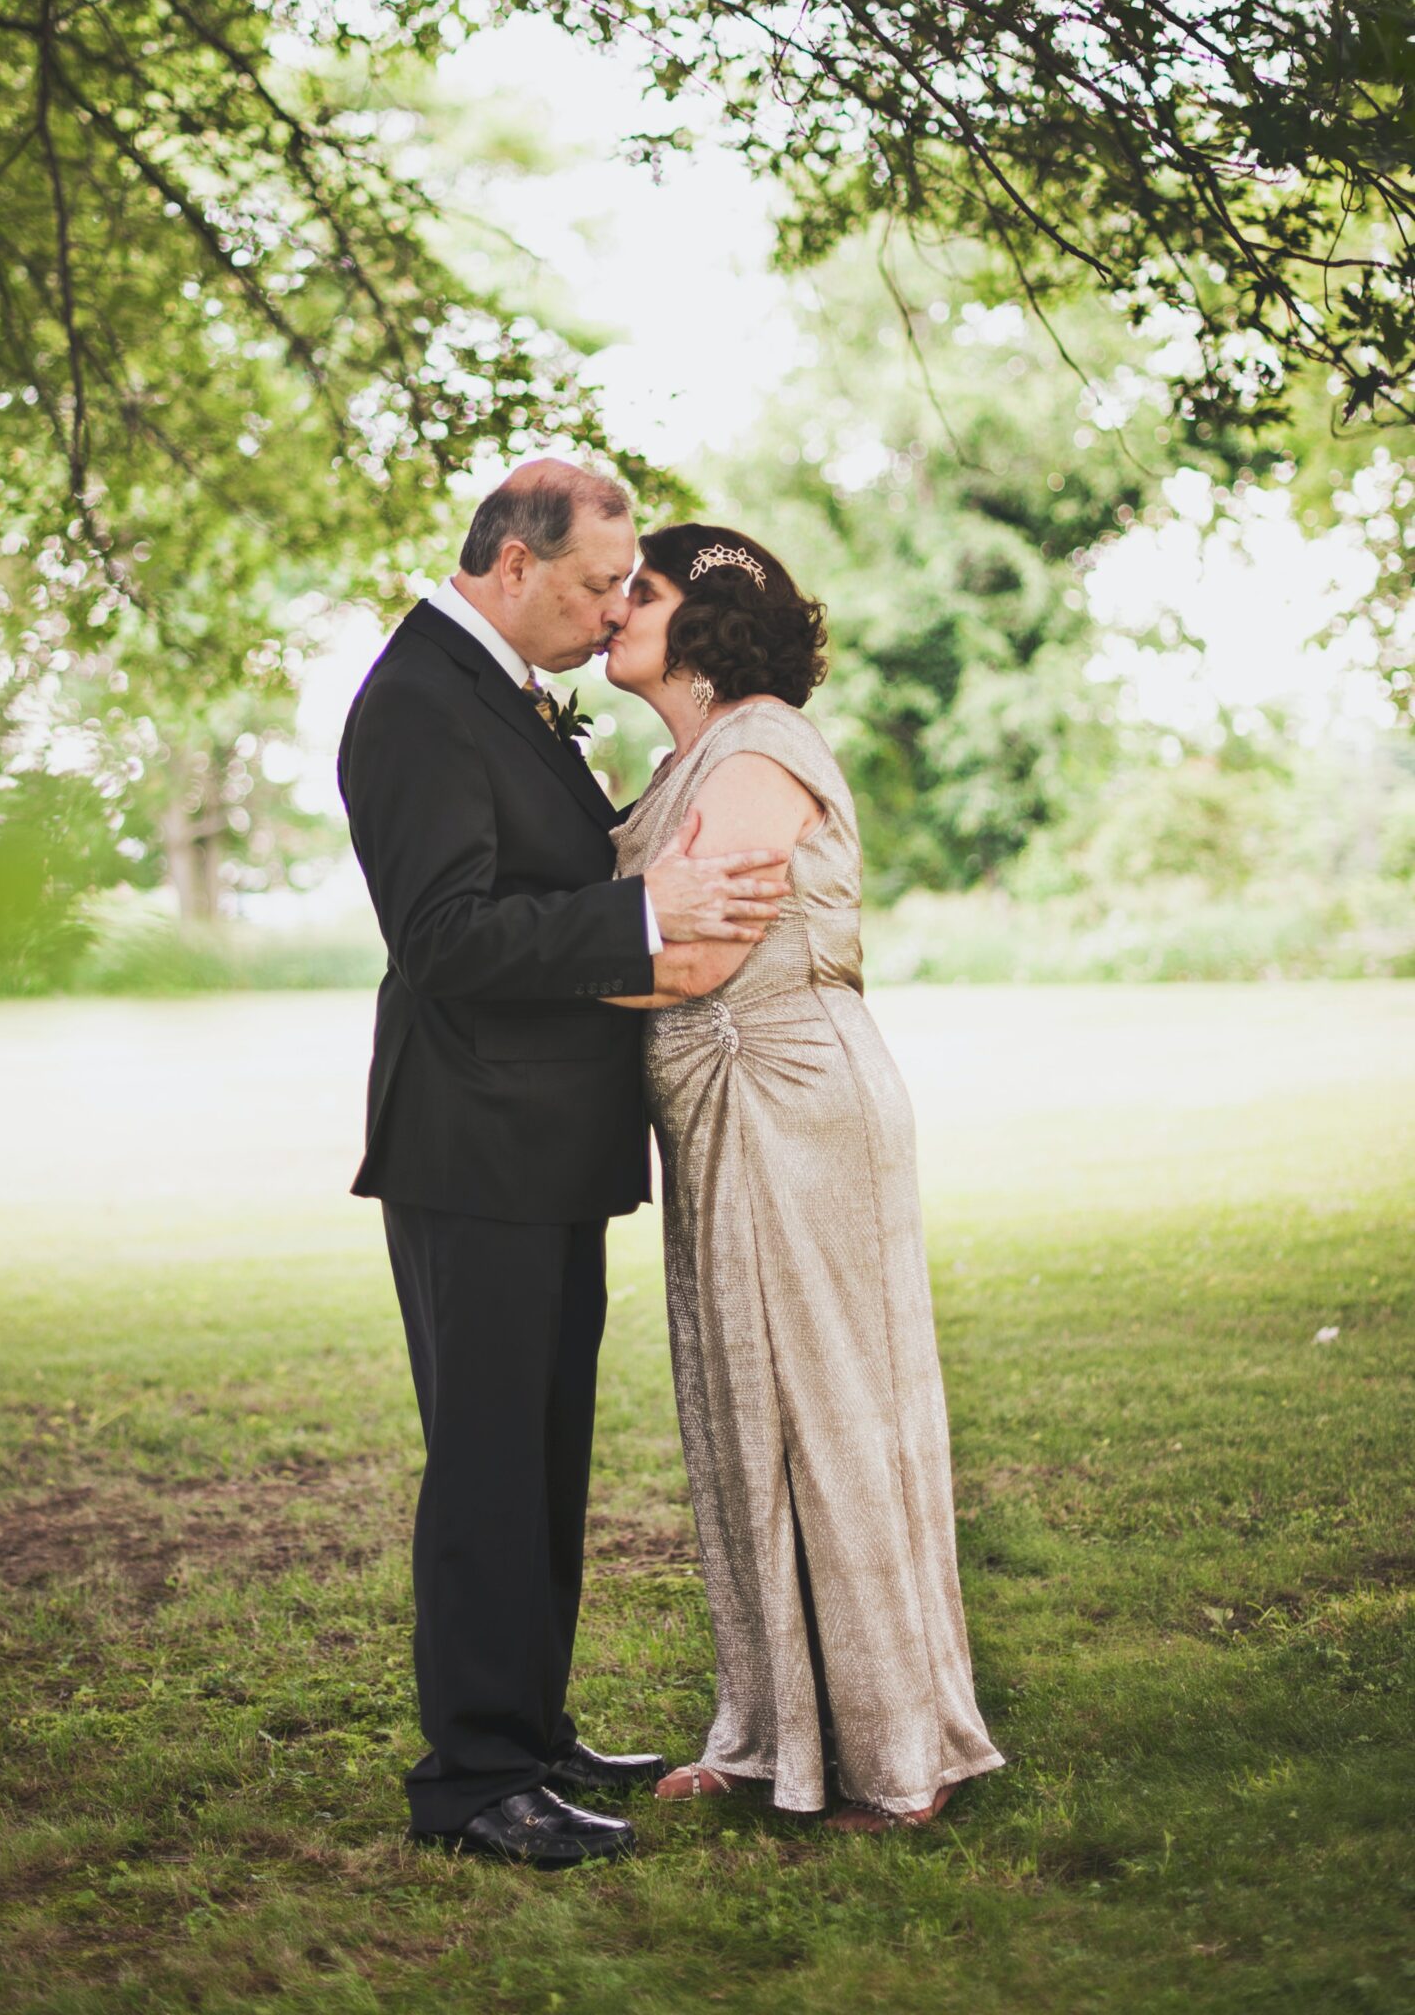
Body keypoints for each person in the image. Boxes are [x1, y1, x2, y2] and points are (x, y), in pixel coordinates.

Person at [337, 462, 792, 1867]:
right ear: (515, 563)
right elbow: (448, 939)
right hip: (472, 1145)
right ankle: (473, 1780)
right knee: (486, 1466)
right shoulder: (417, 702)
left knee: (541, 1460)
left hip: (540, 1146)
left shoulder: (508, 693)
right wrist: (641, 915)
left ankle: (530, 1731)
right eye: (601, 587)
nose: (612, 618)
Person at [603, 523, 1005, 1830]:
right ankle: (776, 1732)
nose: (613, 604)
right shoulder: (685, 758)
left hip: (789, 1102)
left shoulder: (762, 738)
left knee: (829, 1421)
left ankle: (895, 1761)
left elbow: (703, 947)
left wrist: (503, 971)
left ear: (707, 622)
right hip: (720, 1124)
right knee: (744, 1425)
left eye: (638, 589)